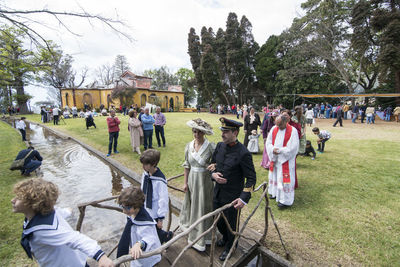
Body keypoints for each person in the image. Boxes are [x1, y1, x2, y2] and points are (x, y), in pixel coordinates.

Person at [12, 178, 114, 267]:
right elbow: (60, 212)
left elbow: (76, 239)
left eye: (18, 198)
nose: (13, 200)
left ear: (33, 203)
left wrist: (101, 257)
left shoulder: (43, 231)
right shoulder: (44, 213)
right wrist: (68, 211)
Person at [210, 117, 257, 261]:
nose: (222, 134)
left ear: (235, 133)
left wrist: (243, 198)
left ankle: (231, 246)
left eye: (226, 131)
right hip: (217, 193)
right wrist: (213, 175)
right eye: (222, 131)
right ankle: (225, 237)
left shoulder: (243, 153)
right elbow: (212, 165)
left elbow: (251, 178)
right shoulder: (219, 146)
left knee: (231, 224)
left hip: (232, 197)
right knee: (218, 221)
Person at [180, 118, 215, 252]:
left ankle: (203, 236)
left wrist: (215, 165)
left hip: (204, 181)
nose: (196, 135)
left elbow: (217, 161)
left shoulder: (211, 146)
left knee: (203, 207)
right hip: (192, 180)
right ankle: (192, 231)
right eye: (194, 132)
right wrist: (185, 183)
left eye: (199, 132)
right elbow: (186, 165)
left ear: (204, 133)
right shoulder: (189, 146)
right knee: (192, 206)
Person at [116, 186, 161, 266]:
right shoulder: (132, 215)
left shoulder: (146, 223)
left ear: (137, 206)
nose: (123, 211)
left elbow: (149, 238)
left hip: (149, 256)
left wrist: (139, 244)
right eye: (122, 207)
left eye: (127, 208)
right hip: (137, 253)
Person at [139, 149, 173, 244]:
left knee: (155, 231)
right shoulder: (145, 174)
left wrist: (160, 218)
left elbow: (163, 199)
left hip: (155, 211)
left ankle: (165, 238)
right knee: (147, 230)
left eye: (145, 164)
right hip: (146, 209)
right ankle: (161, 238)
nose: (143, 166)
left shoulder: (160, 181)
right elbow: (142, 189)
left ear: (153, 164)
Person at [266, 115, 299, 208]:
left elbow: (293, 148)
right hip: (275, 158)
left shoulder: (293, 131)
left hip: (285, 160)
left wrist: (280, 151)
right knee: (275, 176)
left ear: (285, 122)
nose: (278, 127)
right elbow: (268, 142)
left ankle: (285, 200)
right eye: (277, 125)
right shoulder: (274, 129)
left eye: (280, 125)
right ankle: (275, 193)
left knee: (284, 180)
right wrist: (272, 149)